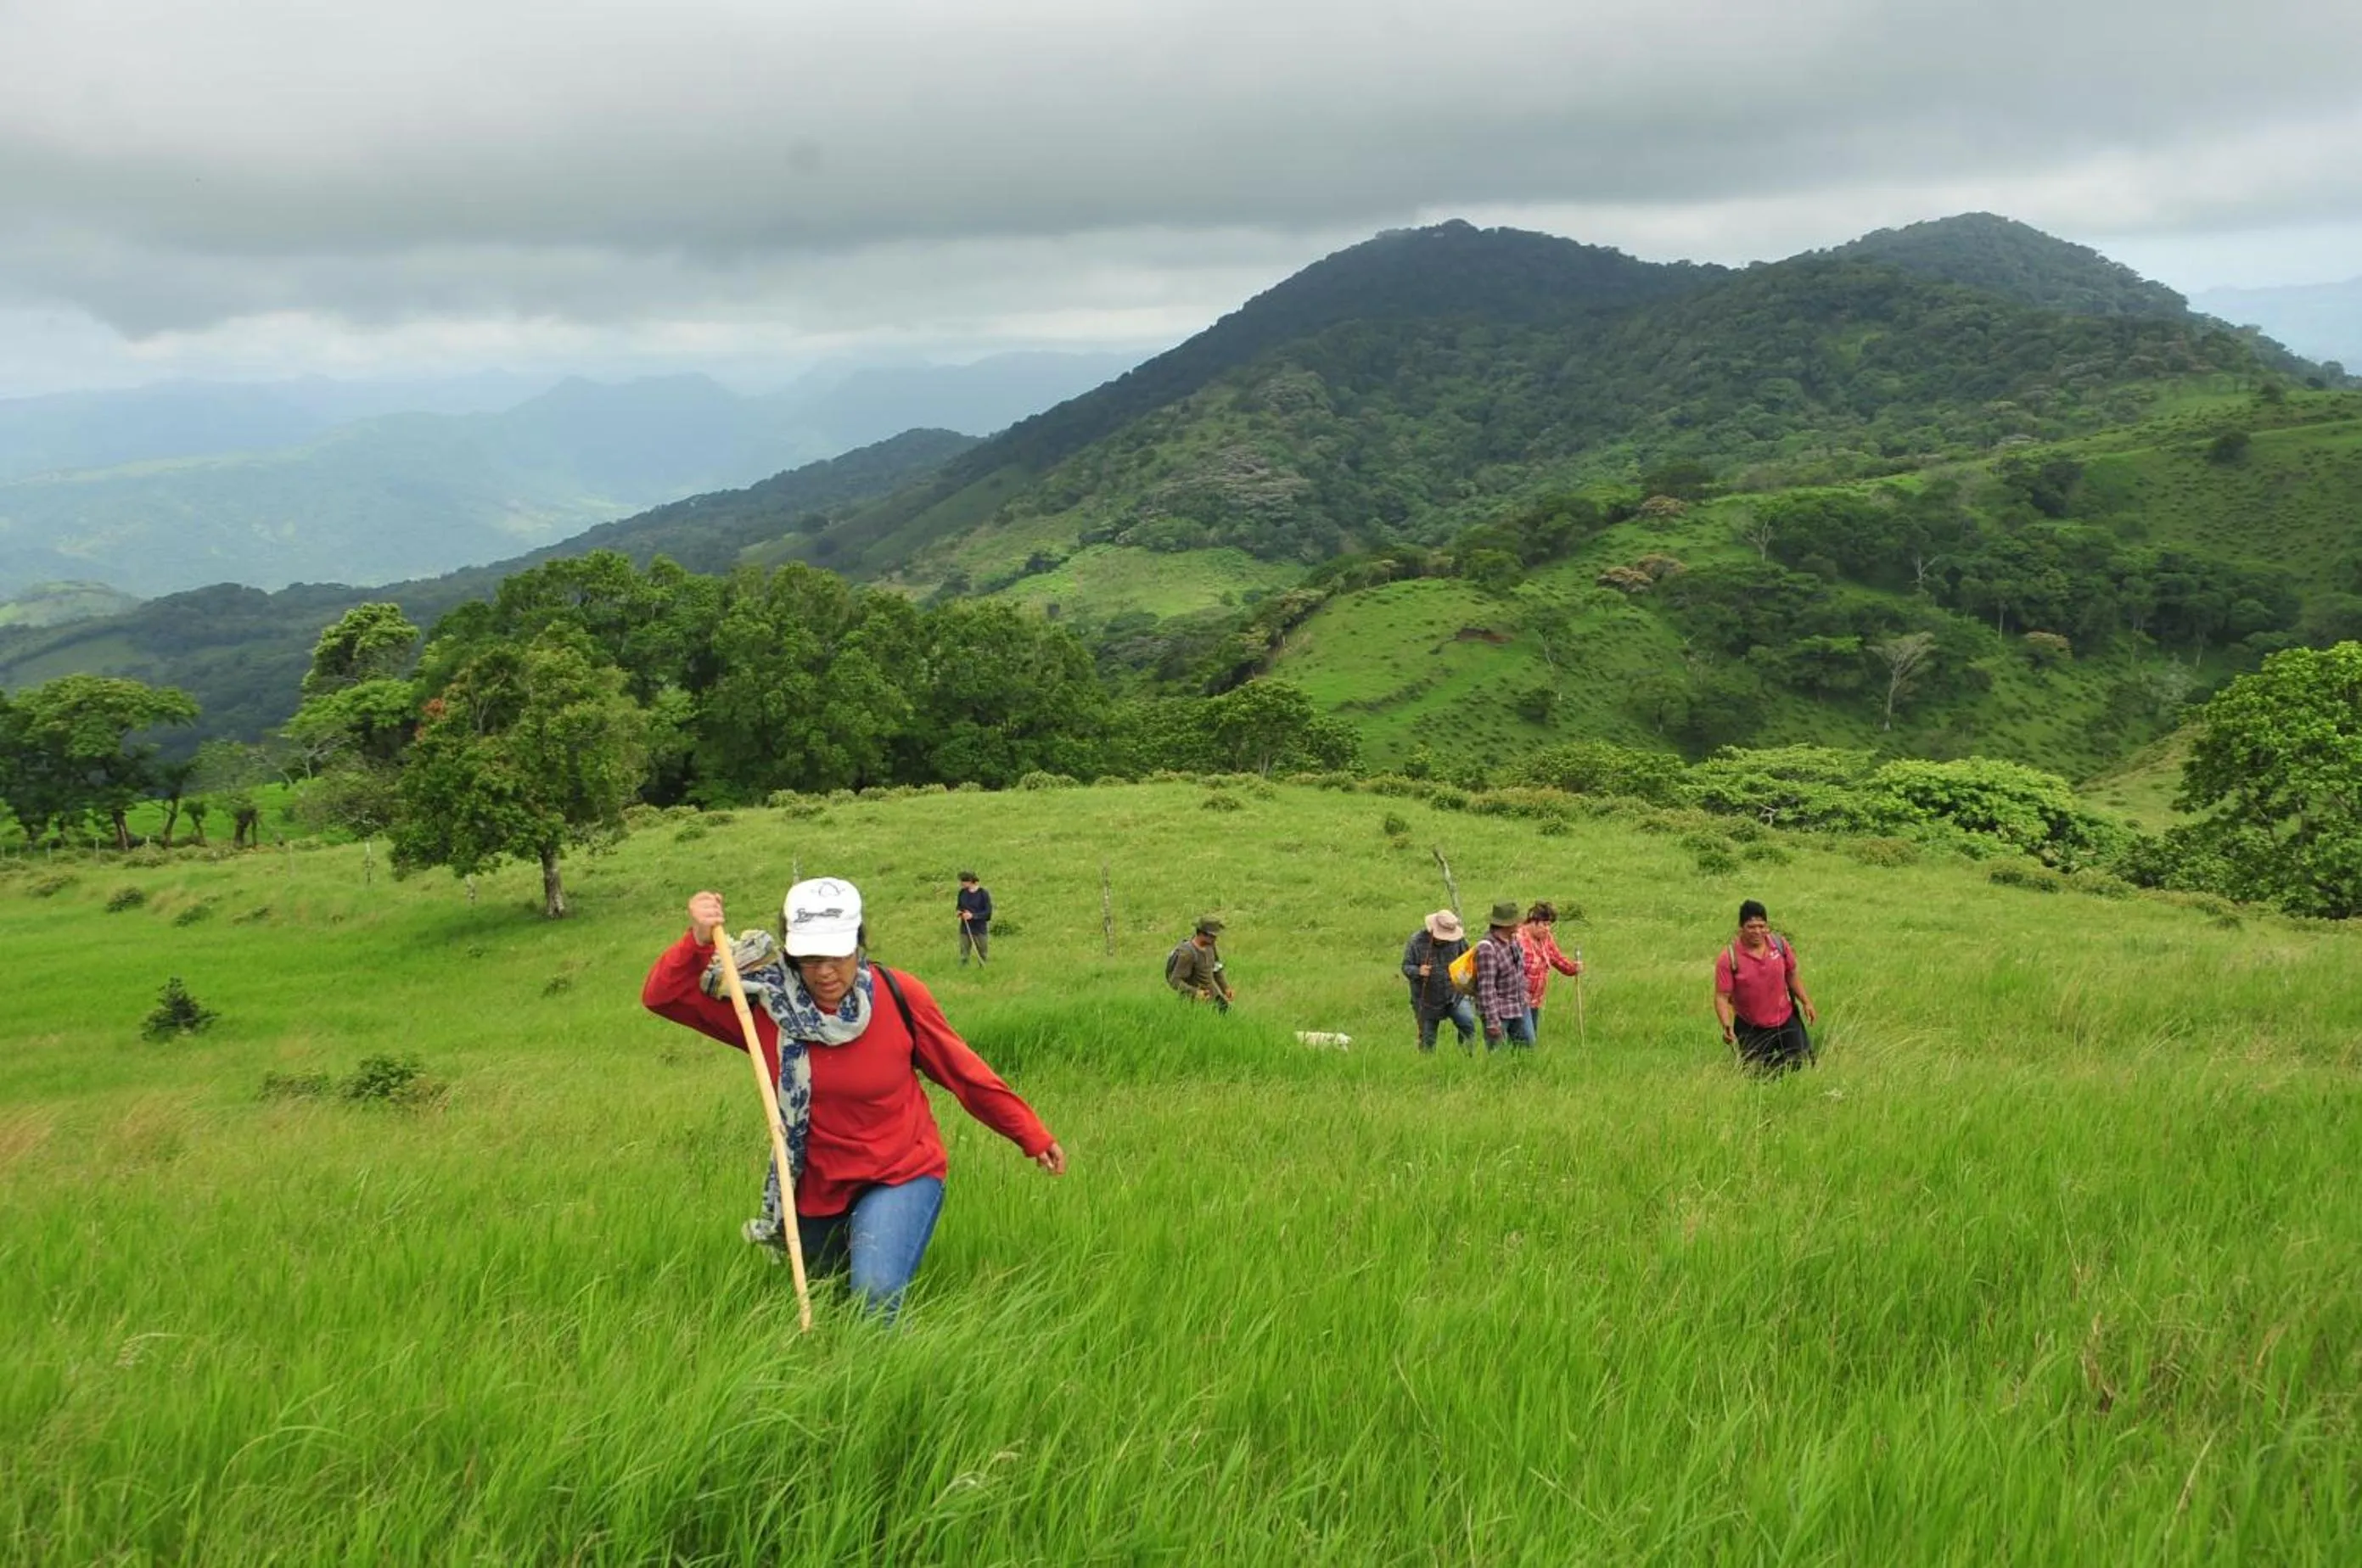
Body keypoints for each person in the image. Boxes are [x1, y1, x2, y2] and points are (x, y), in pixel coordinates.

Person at [641, 876, 1064, 1316]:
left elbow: (964, 1073)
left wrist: (1030, 1134)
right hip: (817, 1186)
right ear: (790, 952)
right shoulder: (765, 1008)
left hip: (900, 1171)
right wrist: (697, 941)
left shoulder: (899, 996)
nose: (825, 971)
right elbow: (663, 996)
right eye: (809, 958)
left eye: (838, 956)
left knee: (875, 1295)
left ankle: (900, 1382)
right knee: (829, 1306)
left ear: (859, 945)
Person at [1713, 898, 1820, 1074]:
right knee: (1755, 1072)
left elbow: (1791, 975)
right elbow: (1722, 996)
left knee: (1801, 1061)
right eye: (1751, 927)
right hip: (1751, 1025)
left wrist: (1806, 1002)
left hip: (1785, 1018)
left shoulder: (1779, 945)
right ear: (1741, 928)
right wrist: (1726, 1025)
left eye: (1762, 926)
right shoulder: (1728, 958)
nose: (1758, 931)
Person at [1400, 909, 1477, 1053]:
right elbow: (1406, 966)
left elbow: (1467, 960)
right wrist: (1418, 971)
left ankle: (1467, 1057)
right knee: (1428, 1039)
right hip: (1427, 999)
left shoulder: (1458, 941)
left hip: (1455, 995)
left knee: (1467, 1025)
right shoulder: (1416, 941)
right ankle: (1428, 1067)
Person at [1472, 900, 1534, 1050]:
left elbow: (1520, 971)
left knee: (1527, 1047)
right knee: (1497, 1055)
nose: (1519, 925)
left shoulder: (1513, 941)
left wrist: (1524, 993)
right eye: (1516, 922)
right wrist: (1492, 1021)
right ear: (1506, 925)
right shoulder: (1487, 948)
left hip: (1520, 1006)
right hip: (1500, 1012)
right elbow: (1486, 989)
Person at [1518, 901, 1583, 1040]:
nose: (1547, 929)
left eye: (1549, 925)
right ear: (1533, 922)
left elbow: (1556, 958)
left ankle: (1522, 1061)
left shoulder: (1546, 939)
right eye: (1544, 924)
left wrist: (1573, 968)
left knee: (1528, 1040)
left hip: (1535, 1000)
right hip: (1517, 1000)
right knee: (1528, 1040)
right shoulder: (1518, 939)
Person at [1166, 917, 1233, 1011]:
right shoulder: (1187, 953)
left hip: (1213, 997)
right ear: (1202, 934)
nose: (1215, 939)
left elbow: (1216, 968)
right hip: (1192, 1003)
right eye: (1212, 936)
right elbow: (1175, 981)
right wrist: (1196, 992)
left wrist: (1225, 988)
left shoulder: (1211, 946)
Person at [955, 871, 992, 966]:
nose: (961, 883)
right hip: (965, 928)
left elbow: (988, 913)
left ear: (970, 881)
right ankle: (963, 969)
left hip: (979, 928)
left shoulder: (983, 893)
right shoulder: (962, 892)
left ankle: (983, 968)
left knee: (982, 953)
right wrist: (959, 912)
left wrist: (973, 916)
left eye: (963, 881)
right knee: (964, 953)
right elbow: (959, 906)